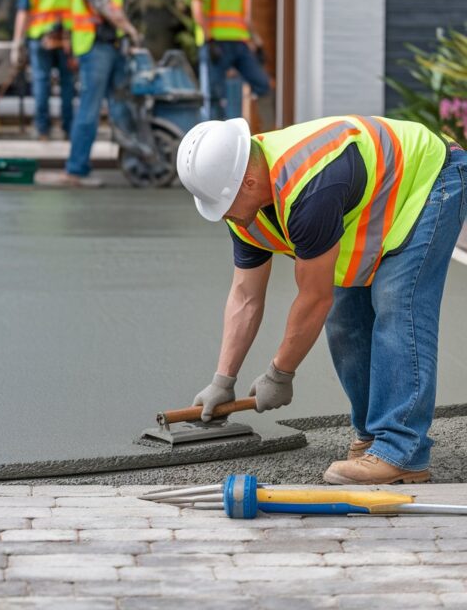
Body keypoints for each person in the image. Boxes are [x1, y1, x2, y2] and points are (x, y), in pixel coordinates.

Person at [177, 115, 467, 484]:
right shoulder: (242, 203)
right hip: (375, 203)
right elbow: (245, 296)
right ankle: (371, 438)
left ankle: (402, 451)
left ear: (247, 182)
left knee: (398, 302)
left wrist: (279, 374)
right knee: (346, 317)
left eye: (223, 206)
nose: (223, 217)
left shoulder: (310, 188)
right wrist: (223, 379)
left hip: (430, 177)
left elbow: (314, 298)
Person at [63, 0, 140, 187]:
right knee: (89, 109)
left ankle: (136, 162)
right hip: (94, 48)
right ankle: (76, 170)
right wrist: (130, 29)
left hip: (111, 47)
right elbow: (105, 6)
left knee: (122, 106)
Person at [190, 0, 271, 124]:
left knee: (262, 84)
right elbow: (198, 10)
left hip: (238, 44)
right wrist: (208, 39)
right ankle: (214, 136)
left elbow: (243, 17)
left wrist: (256, 42)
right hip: (216, 44)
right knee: (213, 94)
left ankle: (271, 130)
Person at [11, 0, 75, 140]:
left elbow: (24, 12)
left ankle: (43, 130)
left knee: (41, 82)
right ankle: (68, 128)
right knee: (67, 83)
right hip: (66, 37)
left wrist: (17, 42)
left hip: (39, 38)